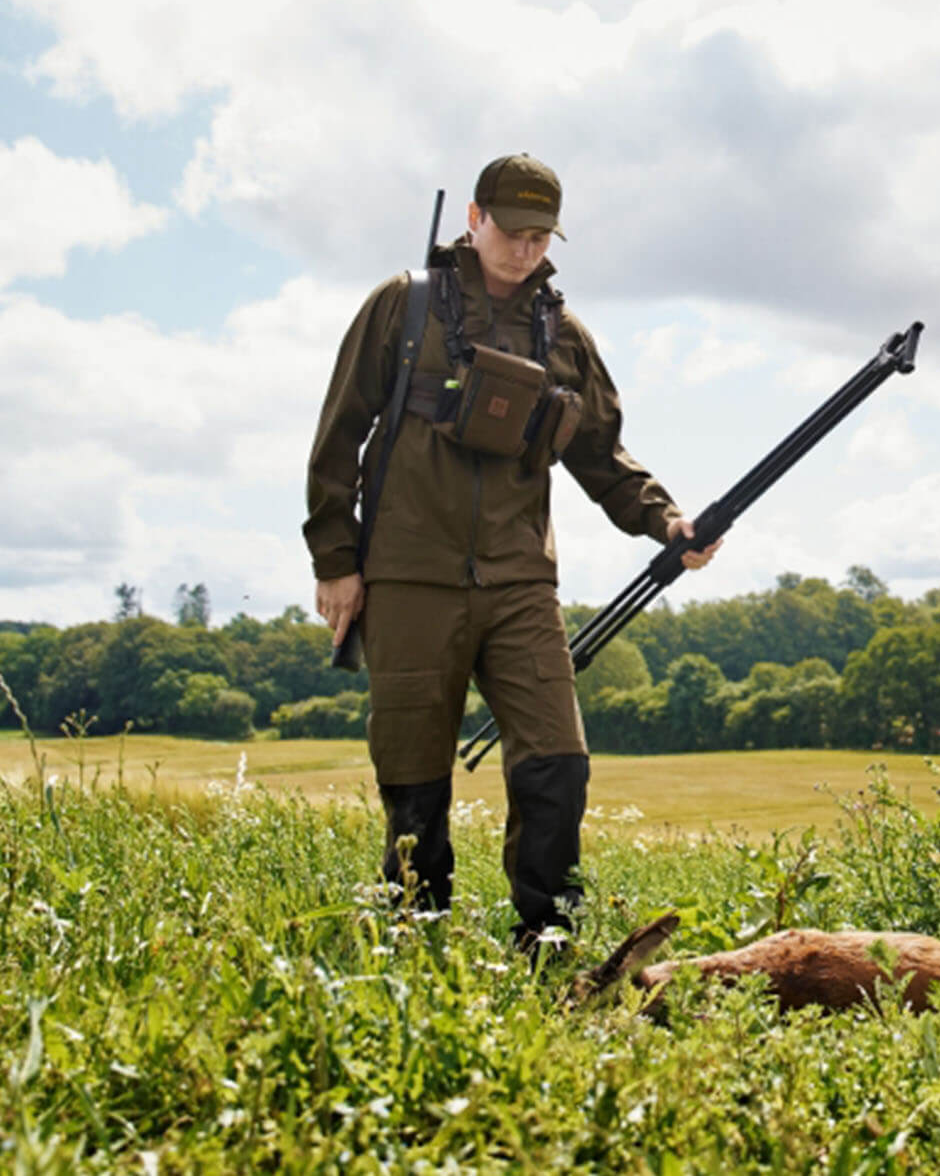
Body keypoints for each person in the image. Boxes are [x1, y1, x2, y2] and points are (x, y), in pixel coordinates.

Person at [303, 153, 719, 944]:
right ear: (474, 218)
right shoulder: (403, 307)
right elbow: (338, 434)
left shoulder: (563, 333)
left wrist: (667, 521)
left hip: (521, 582)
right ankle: (416, 932)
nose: (525, 249)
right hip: (409, 579)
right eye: (512, 230)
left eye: (541, 235)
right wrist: (336, 560)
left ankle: (548, 940)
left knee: (557, 763)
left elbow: (603, 456)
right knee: (413, 774)